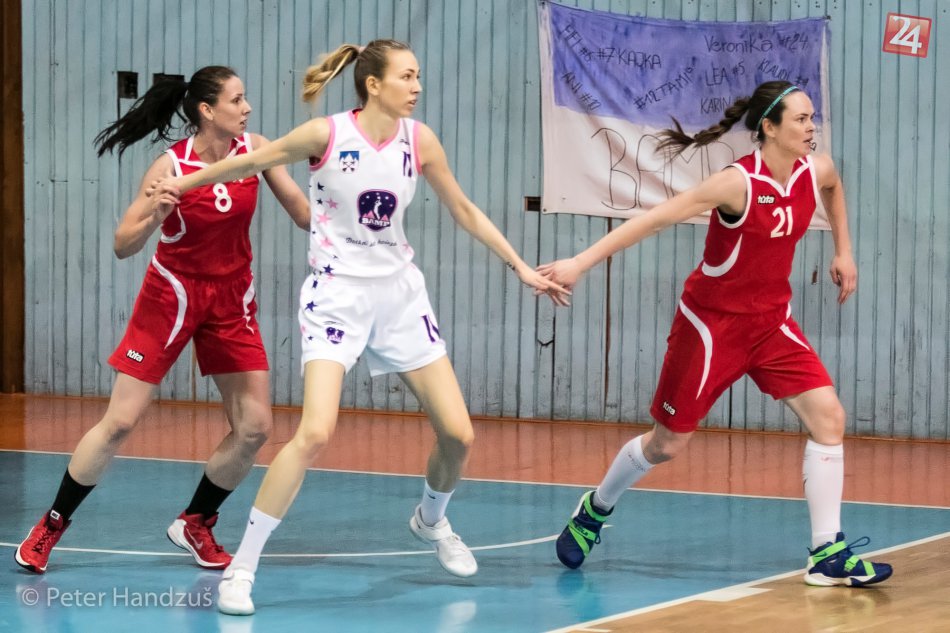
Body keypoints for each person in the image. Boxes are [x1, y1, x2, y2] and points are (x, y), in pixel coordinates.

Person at [152, 39, 569, 615]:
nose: (416, 86)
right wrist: (182, 183)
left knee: (459, 434)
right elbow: (246, 163)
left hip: (399, 296)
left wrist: (520, 265)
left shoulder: (419, 140)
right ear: (373, 84)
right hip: (337, 295)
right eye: (406, 76)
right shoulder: (324, 134)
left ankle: (431, 520)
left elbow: (464, 209)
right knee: (314, 433)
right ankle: (241, 570)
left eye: (418, 76)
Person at [539, 81, 892, 588]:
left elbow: (833, 189)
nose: (811, 127)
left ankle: (827, 553)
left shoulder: (816, 170)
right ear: (769, 128)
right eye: (800, 119)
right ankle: (595, 508)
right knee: (666, 445)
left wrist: (844, 251)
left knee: (830, 417)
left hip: (771, 324)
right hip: (711, 327)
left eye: (812, 118)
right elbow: (654, 219)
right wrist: (579, 262)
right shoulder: (736, 184)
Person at [15, 66, 311, 574]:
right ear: (207, 110)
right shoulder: (170, 165)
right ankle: (52, 523)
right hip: (171, 295)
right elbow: (122, 244)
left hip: (231, 299)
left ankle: (196, 521)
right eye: (237, 100)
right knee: (120, 422)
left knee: (255, 427)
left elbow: (303, 213)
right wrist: (155, 212)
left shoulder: (255, 149)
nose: (247, 108)